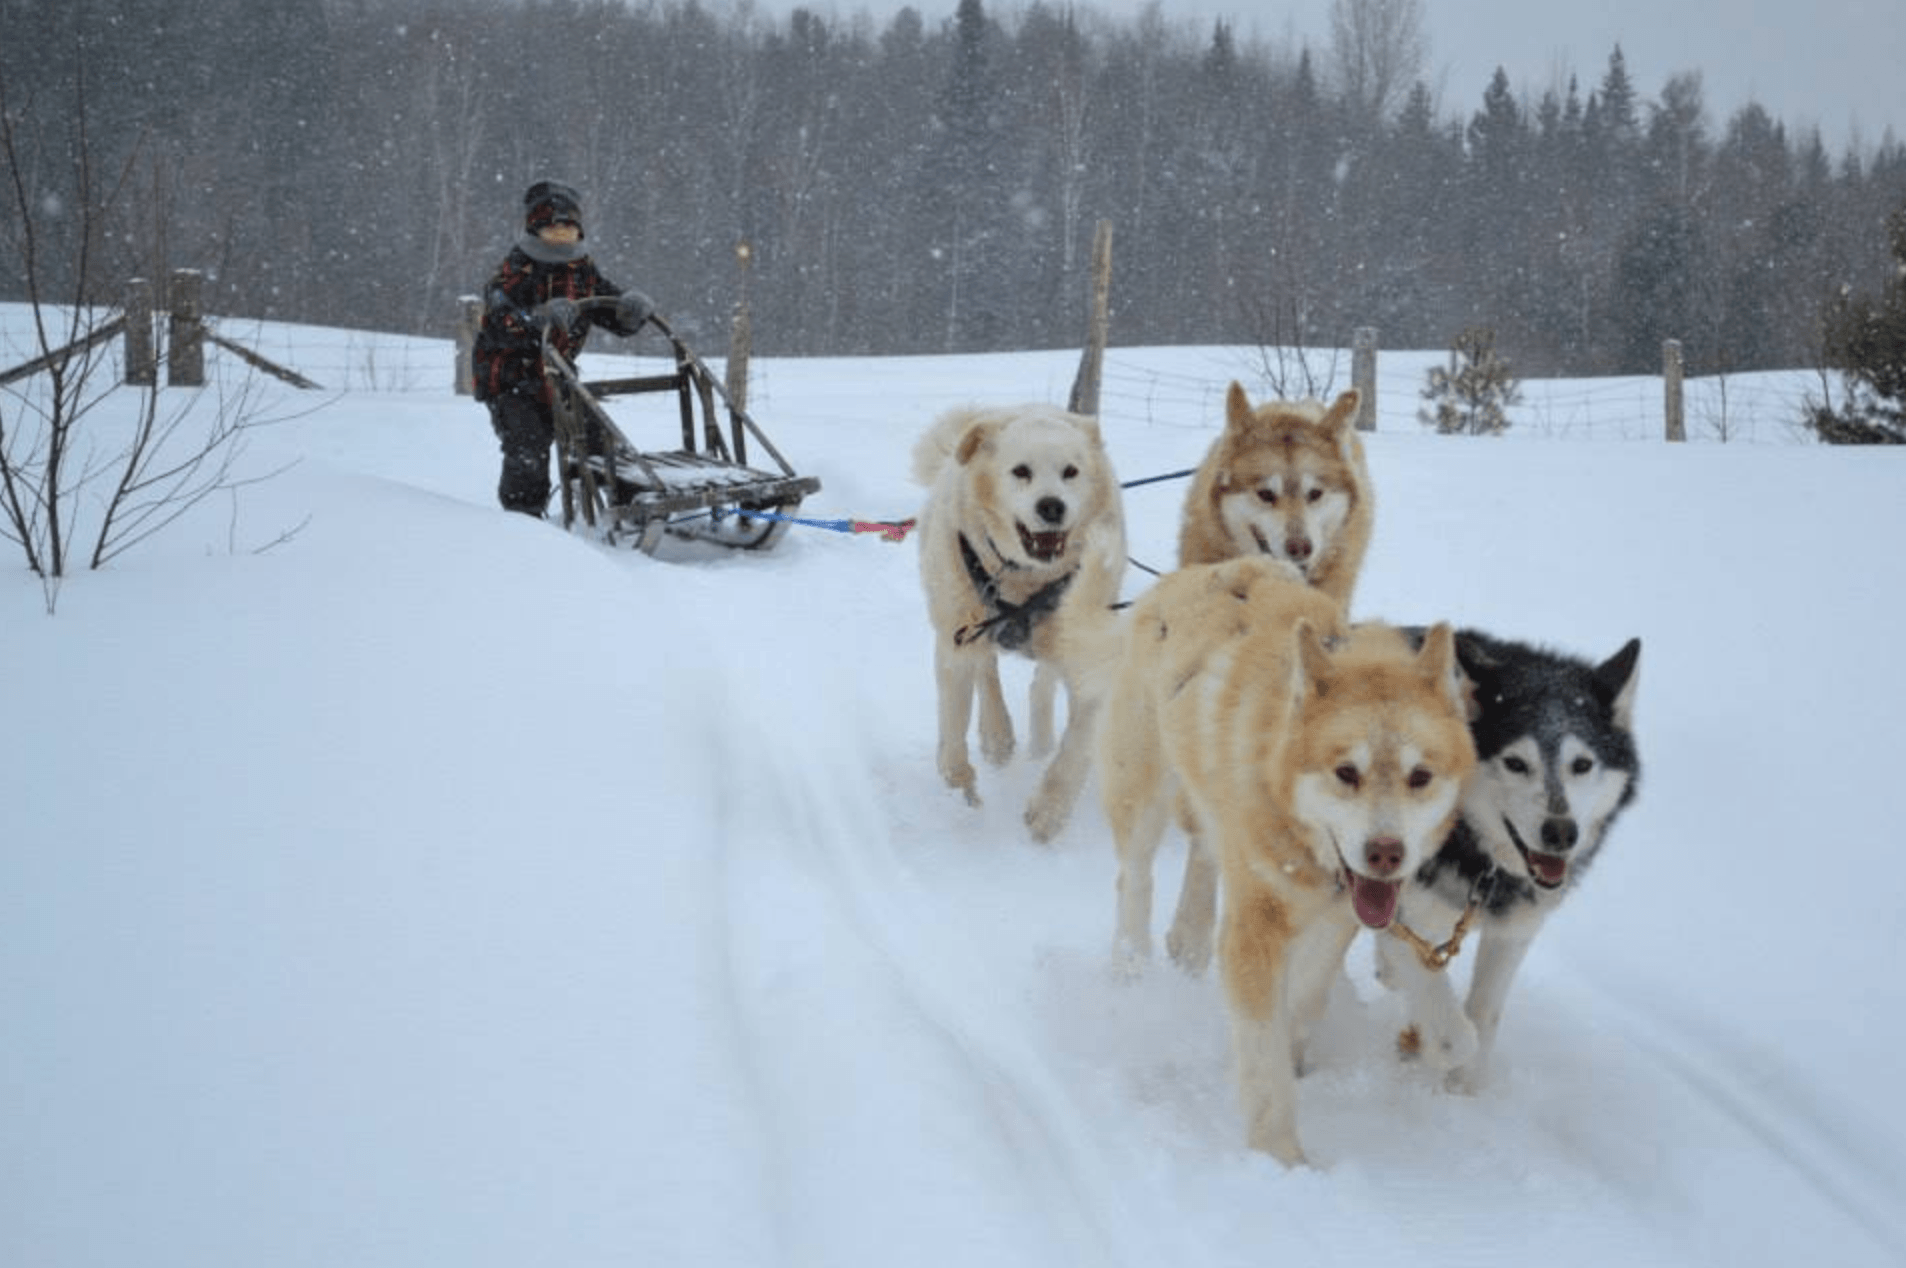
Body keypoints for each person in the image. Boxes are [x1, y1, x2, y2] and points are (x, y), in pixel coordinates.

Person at [472, 180, 655, 516]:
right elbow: (501, 317)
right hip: (511, 375)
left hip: (559, 373)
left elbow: (606, 307)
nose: (562, 241)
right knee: (529, 447)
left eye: (569, 233)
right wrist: (539, 318)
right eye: (554, 233)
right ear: (535, 231)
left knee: (597, 438)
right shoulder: (516, 268)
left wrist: (629, 311)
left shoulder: (581, 269)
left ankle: (629, 504)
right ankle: (522, 517)